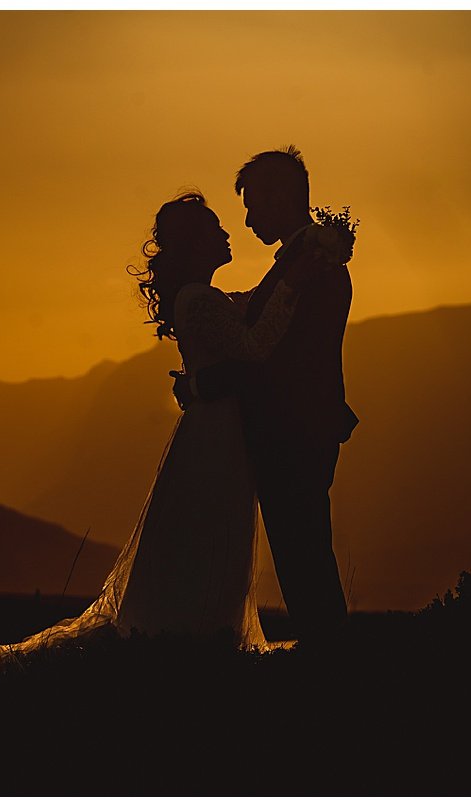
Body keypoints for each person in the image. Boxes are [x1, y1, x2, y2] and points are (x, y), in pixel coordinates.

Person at [0, 190, 325, 690]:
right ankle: (194, 645)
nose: (227, 235)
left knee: (209, 537)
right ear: (195, 243)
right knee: (210, 536)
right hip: (215, 437)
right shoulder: (198, 300)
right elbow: (254, 345)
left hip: (216, 429)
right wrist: (293, 285)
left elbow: (242, 314)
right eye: (215, 229)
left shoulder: (203, 297)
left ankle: (195, 642)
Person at [174, 147, 357, 646]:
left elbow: (272, 362)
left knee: (305, 560)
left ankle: (333, 666)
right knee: (305, 557)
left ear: (282, 197)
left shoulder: (310, 267)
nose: (249, 219)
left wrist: (198, 385)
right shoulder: (302, 263)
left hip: (294, 433)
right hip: (298, 430)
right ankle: (332, 660)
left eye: (253, 205)